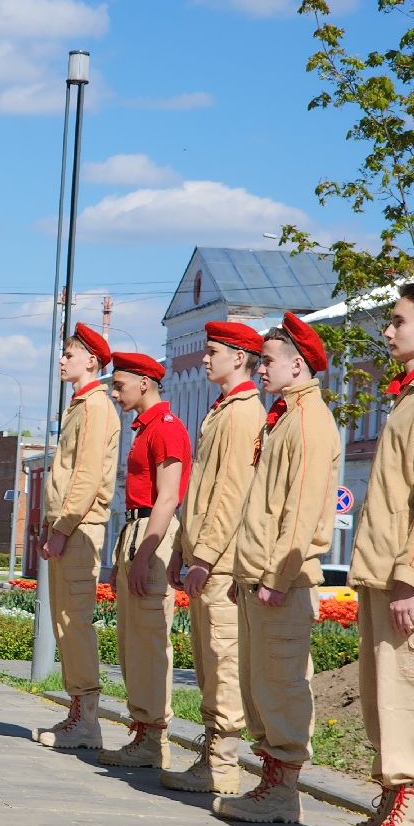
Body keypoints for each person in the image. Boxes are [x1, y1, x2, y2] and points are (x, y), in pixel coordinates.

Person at [321, 276, 414, 826]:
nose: (386, 330)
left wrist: (411, 577)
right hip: (385, 574)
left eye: (397, 321)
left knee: (411, 696)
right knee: (385, 697)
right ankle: (388, 810)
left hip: (411, 581)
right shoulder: (409, 394)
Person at [214, 313, 339, 825]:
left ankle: (283, 789)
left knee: (282, 682)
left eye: (267, 361)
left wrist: (273, 578)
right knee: (259, 682)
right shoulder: (284, 415)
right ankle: (270, 782)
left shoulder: (309, 421)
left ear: (298, 364)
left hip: (282, 580)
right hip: (259, 577)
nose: (260, 369)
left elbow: (301, 511)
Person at [161, 322, 265, 794]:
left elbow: (229, 495)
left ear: (240, 358)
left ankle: (222, 762)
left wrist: (202, 556)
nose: (204, 359)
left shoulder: (244, 414)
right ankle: (211, 755)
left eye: (213, 351)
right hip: (207, 557)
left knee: (223, 663)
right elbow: (201, 494)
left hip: (221, 563)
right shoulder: (224, 409)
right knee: (207, 663)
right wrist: (183, 550)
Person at [98, 352, 191, 769]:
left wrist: (144, 554)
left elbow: (168, 497)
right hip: (136, 527)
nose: (115, 392)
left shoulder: (167, 430)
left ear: (144, 382)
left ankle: (155, 737)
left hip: (152, 530)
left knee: (151, 640)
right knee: (132, 640)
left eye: (120, 385)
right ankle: (142, 729)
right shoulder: (145, 428)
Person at [34, 323, 120, 750]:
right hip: (68, 526)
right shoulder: (80, 405)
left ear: (92, 361)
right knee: (65, 622)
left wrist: (63, 528)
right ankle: (77, 712)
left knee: (75, 623)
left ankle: (87, 718)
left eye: (70, 354)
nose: (62, 360)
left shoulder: (96, 407)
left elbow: (85, 477)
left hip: (81, 528)